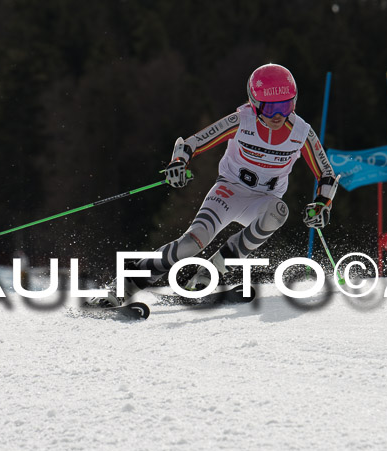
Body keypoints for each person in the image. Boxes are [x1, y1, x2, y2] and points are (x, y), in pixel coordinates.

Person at [88, 63, 337, 307]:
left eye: (285, 106)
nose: (278, 116)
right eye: (269, 108)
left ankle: (208, 276)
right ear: (254, 102)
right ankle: (125, 286)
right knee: (190, 244)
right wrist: (178, 163)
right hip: (228, 192)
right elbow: (191, 144)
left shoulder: (302, 132)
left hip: (263, 200)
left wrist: (322, 203)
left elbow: (326, 172)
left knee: (278, 212)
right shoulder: (242, 121)